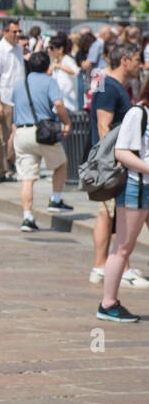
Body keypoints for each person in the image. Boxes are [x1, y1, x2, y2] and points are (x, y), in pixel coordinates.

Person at [89, 44, 148, 288]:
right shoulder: (108, 86)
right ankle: (108, 267)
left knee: (112, 216)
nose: (140, 64)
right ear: (124, 60)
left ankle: (110, 266)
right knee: (108, 215)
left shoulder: (110, 84)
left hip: (121, 167)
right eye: (137, 59)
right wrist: (112, 165)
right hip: (115, 167)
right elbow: (104, 126)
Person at [100, 85, 149, 322]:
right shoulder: (138, 113)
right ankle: (108, 303)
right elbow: (121, 152)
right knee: (123, 247)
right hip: (137, 187)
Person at [12, 50, 73, 232]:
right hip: (43, 133)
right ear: (47, 66)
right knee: (61, 163)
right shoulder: (49, 81)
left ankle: (27, 217)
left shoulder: (19, 84)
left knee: (27, 178)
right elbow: (59, 104)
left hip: (22, 132)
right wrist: (66, 122)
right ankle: (55, 199)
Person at [0, 19, 26, 183]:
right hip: (5, 98)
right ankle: (3, 170)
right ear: (5, 33)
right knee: (3, 136)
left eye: (19, 31)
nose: (18, 34)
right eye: (14, 32)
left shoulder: (18, 48)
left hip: (19, 98)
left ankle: (14, 165)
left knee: (19, 135)